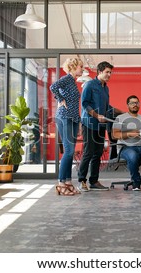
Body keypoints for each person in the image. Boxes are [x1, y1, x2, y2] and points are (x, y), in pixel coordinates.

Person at [78, 61, 124, 191]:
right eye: (107, 72)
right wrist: (97, 115)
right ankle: (82, 180)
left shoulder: (106, 88)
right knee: (88, 152)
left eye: (110, 72)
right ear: (99, 72)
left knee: (98, 153)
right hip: (89, 123)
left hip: (101, 126)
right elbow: (85, 104)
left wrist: (121, 111)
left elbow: (106, 107)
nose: (109, 74)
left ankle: (94, 181)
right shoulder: (89, 85)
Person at [49, 57, 84, 196]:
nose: (82, 69)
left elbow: (75, 104)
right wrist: (60, 99)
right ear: (74, 67)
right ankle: (61, 183)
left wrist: (79, 122)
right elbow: (53, 87)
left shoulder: (73, 82)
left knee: (70, 152)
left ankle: (68, 182)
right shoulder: (67, 78)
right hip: (64, 117)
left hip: (74, 118)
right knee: (69, 151)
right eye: (81, 66)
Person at [112, 95, 141, 191]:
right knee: (133, 155)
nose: (135, 105)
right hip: (125, 147)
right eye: (132, 103)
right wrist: (130, 134)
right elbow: (114, 135)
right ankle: (136, 182)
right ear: (128, 105)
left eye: (137, 103)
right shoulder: (120, 118)